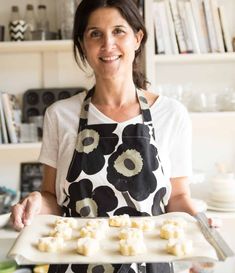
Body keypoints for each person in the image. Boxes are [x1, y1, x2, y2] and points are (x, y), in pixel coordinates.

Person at [11, 0, 199, 272]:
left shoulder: (171, 114)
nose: (107, 44)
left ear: (138, 38)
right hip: (75, 263)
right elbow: (52, 196)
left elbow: (178, 196)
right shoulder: (60, 115)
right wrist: (37, 202)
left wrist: (201, 225)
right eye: (95, 33)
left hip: (149, 264)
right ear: (83, 44)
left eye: (119, 31)